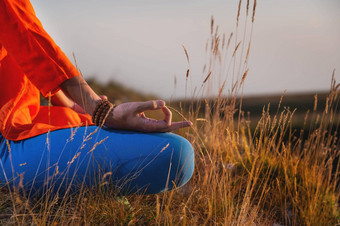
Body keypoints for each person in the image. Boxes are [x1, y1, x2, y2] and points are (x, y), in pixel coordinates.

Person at [0, 0, 194, 195]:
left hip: (22, 121)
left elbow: (26, 55)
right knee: (176, 153)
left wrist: (73, 105)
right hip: (5, 144)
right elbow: (28, 38)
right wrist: (102, 110)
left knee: (174, 151)